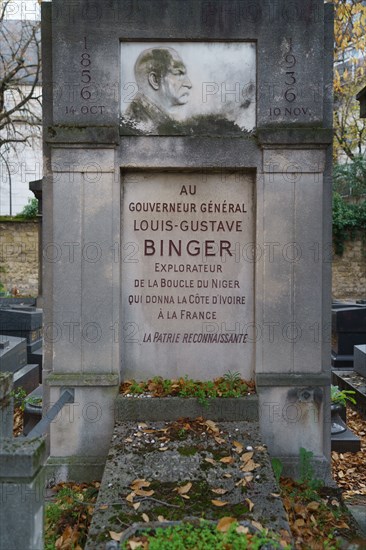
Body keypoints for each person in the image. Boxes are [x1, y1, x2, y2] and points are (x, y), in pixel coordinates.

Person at [121, 47, 192, 134]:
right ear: (154, 80)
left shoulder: (159, 121)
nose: (189, 84)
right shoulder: (136, 126)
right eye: (178, 73)